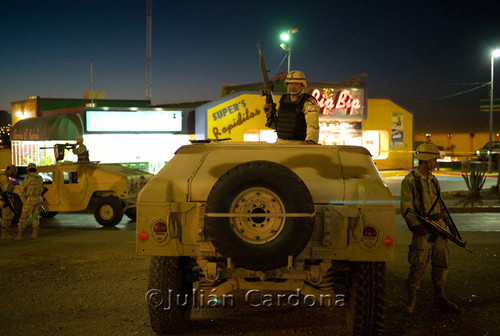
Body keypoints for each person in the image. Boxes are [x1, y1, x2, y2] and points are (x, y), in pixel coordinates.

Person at [400, 143, 462, 314]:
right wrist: (416, 225)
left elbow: (441, 205)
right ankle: (410, 300)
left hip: (439, 227)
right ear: (426, 160)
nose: (436, 163)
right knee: (418, 264)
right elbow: (406, 206)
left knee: (441, 263)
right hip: (424, 229)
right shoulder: (410, 181)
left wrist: (449, 224)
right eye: (434, 159)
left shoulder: (434, 180)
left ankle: (440, 297)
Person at [264, 70, 319, 144]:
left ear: (302, 84)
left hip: (298, 145)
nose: (292, 87)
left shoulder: (308, 101)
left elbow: (313, 124)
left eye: (295, 84)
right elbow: (279, 126)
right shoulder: (284, 99)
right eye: (290, 83)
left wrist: (311, 141)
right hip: (280, 143)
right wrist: (269, 115)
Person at [15, 163, 44, 240]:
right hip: (38, 199)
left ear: (28, 170)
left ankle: (19, 235)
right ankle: (34, 234)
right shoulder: (40, 178)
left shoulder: (27, 179)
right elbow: (42, 188)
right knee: (36, 217)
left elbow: (21, 190)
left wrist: (24, 201)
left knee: (23, 218)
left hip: (30, 200)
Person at [0, 164, 18, 240]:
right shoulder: (3, 177)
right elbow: (5, 188)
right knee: (6, 215)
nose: (12, 175)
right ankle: (4, 234)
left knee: (9, 215)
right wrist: (12, 185)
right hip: (4, 199)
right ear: (9, 170)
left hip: (4, 199)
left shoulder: (3, 176)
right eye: (12, 173)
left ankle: (6, 232)